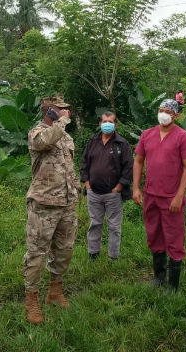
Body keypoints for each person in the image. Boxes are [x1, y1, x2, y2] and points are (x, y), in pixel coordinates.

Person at [23, 95, 79, 325]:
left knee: (64, 250)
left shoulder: (66, 137)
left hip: (67, 204)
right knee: (37, 253)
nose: (67, 113)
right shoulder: (37, 132)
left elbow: (69, 168)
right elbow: (43, 143)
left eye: (67, 109)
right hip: (44, 205)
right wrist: (61, 123)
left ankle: (55, 291)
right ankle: (32, 300)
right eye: (61, 109)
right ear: (50, 111)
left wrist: (76, 189)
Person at [132, 99, 186, 292]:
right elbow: (138, 161)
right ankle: (159, 277)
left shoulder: (183, 137)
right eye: (161, 110)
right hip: (151, 194)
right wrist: (136, 188)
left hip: (171, 197)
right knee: (154, 234)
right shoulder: (147, 135)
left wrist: (179, 195)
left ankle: (173, 284)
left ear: (175, 115)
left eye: (168, 111)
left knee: (174, 237)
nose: (163, 114)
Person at [80, 111, 133, 261]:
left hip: (113, 193)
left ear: (115, 125)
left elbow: (129, 167)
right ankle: (93, 254)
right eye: (104, 121)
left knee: (114, 227)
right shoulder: (92, 141)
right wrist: (87, 183)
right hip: (93, 192)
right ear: (100, 124)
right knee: (95, 224)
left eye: (110, 122)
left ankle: (112, 257)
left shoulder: (121, 144)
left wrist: (119, 187)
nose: (107, 124)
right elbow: (84, 162)